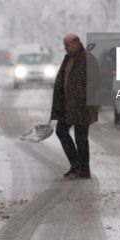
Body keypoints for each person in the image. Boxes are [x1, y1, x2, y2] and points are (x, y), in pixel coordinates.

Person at [50, 33, 100, 180]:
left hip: (82, 106)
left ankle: (83, 170)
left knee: (81, 138)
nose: (65, 48)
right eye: (64, 45)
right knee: (61, 131)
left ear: (76, 44)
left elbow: (95, 82)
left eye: (67, 45)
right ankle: (76, 165)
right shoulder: (69, 59)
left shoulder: (87, 59)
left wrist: (83, 98)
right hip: (69, 106)